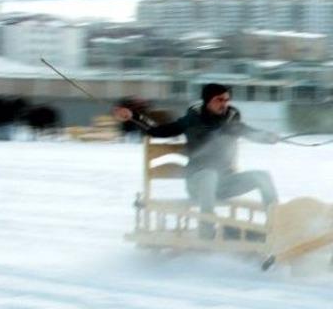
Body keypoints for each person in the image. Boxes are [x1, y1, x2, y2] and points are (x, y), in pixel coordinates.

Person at [113, 83, 280, 238]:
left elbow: (251, 132)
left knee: (262, 176)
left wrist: (268, 137)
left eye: (227, 100)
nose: (224, 104)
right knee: (209, 175)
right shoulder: (192, 120)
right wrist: (134, 116)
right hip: (198, 182)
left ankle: (277, 227)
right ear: (207, 101)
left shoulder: (231, 122)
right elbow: (159, 131)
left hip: (224, 184)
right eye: (219, 100)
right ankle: (206, 230)